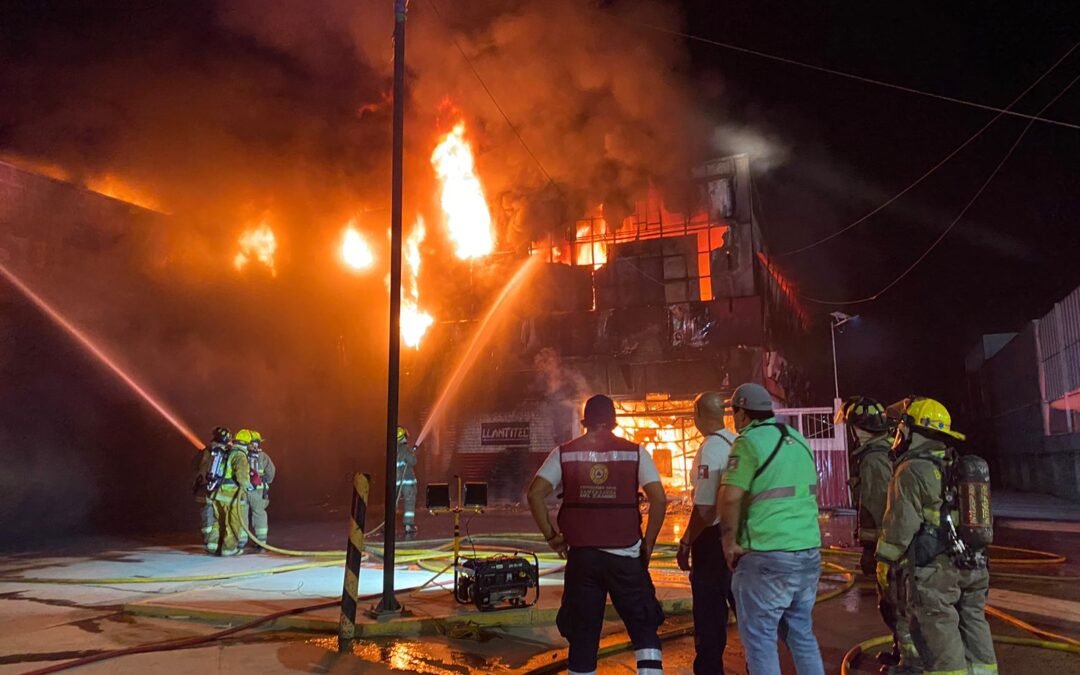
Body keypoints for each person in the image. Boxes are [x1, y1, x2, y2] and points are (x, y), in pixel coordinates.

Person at [526, 394, 666, 675]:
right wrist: (647, 545)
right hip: (626, 555)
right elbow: (659, 499)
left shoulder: (564, 452)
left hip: (583, 558)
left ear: (585, 422)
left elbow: (535, 494)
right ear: (613, 421)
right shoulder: (635, 452)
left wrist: (553, 537)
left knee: (583, 631)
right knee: (643, 624)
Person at [876, 398, 997, 675]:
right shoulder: (956, 464)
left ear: (911, 430)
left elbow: (900, 528)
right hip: (975, 564)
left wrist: (884, 565)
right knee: (974, 623)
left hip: (938, 572)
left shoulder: (911, 470)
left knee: (941, 634)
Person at [717, 382, 824, 675]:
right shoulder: (797, 438)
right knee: (801, 635)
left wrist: (729, 543)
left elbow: (730, 497)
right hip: (807, 554)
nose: (734, 419)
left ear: (742, 412)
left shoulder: (748, 443)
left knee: (761, 641)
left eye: (734, 412)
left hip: (766, 557)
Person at [837, 396, 919, 672]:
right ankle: (901, 653)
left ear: (857, 428)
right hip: (894, 544)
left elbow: (883, 509)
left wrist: (872, 550)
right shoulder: (882, 452)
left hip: (891, 547)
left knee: (896, 605)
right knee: (896, 603)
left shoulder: (874, 459)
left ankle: (910, 663)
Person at [676, 391, 737, 675]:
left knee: (710, 615)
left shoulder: (711, 448)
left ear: (698, 414)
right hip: (738, 538)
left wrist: (687, 541)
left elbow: (705, 509)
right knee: (743, 610)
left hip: (712, 544)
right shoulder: (735, 441)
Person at [207, 429, 253, 556]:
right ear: (247, 443)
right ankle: (229, 549)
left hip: (218, 493)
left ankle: (213, 546)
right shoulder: (240, 456)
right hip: (231, 495)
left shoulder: (227, 452)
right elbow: (242, 478)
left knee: (219, 521)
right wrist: (249, 487)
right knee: (233, 522)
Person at [193, 426, 231, 553]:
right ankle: (214, 543)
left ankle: (209, 541)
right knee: (217, 516)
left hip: (202, 489)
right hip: (217, 489)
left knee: (206, 515)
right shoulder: (225, 453)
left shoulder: (204, 451)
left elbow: (194, 465)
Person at [244, 430, 276, 551]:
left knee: (242, 514)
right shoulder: (263, 456)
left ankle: (241, 542)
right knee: (259, 514)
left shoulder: (241, 455)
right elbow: (271, 472)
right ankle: (261, 542)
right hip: (259, 491)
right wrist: (266, 481)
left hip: (243, 491)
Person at [396, 426, 419, 538]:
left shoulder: (393, 449)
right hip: (407, 482)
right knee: (409, 502)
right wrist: (412, 453)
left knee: (392, 505)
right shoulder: (404, 449)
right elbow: (412, 461)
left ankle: (387, 526)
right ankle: (408, 526)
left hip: (395, 483)